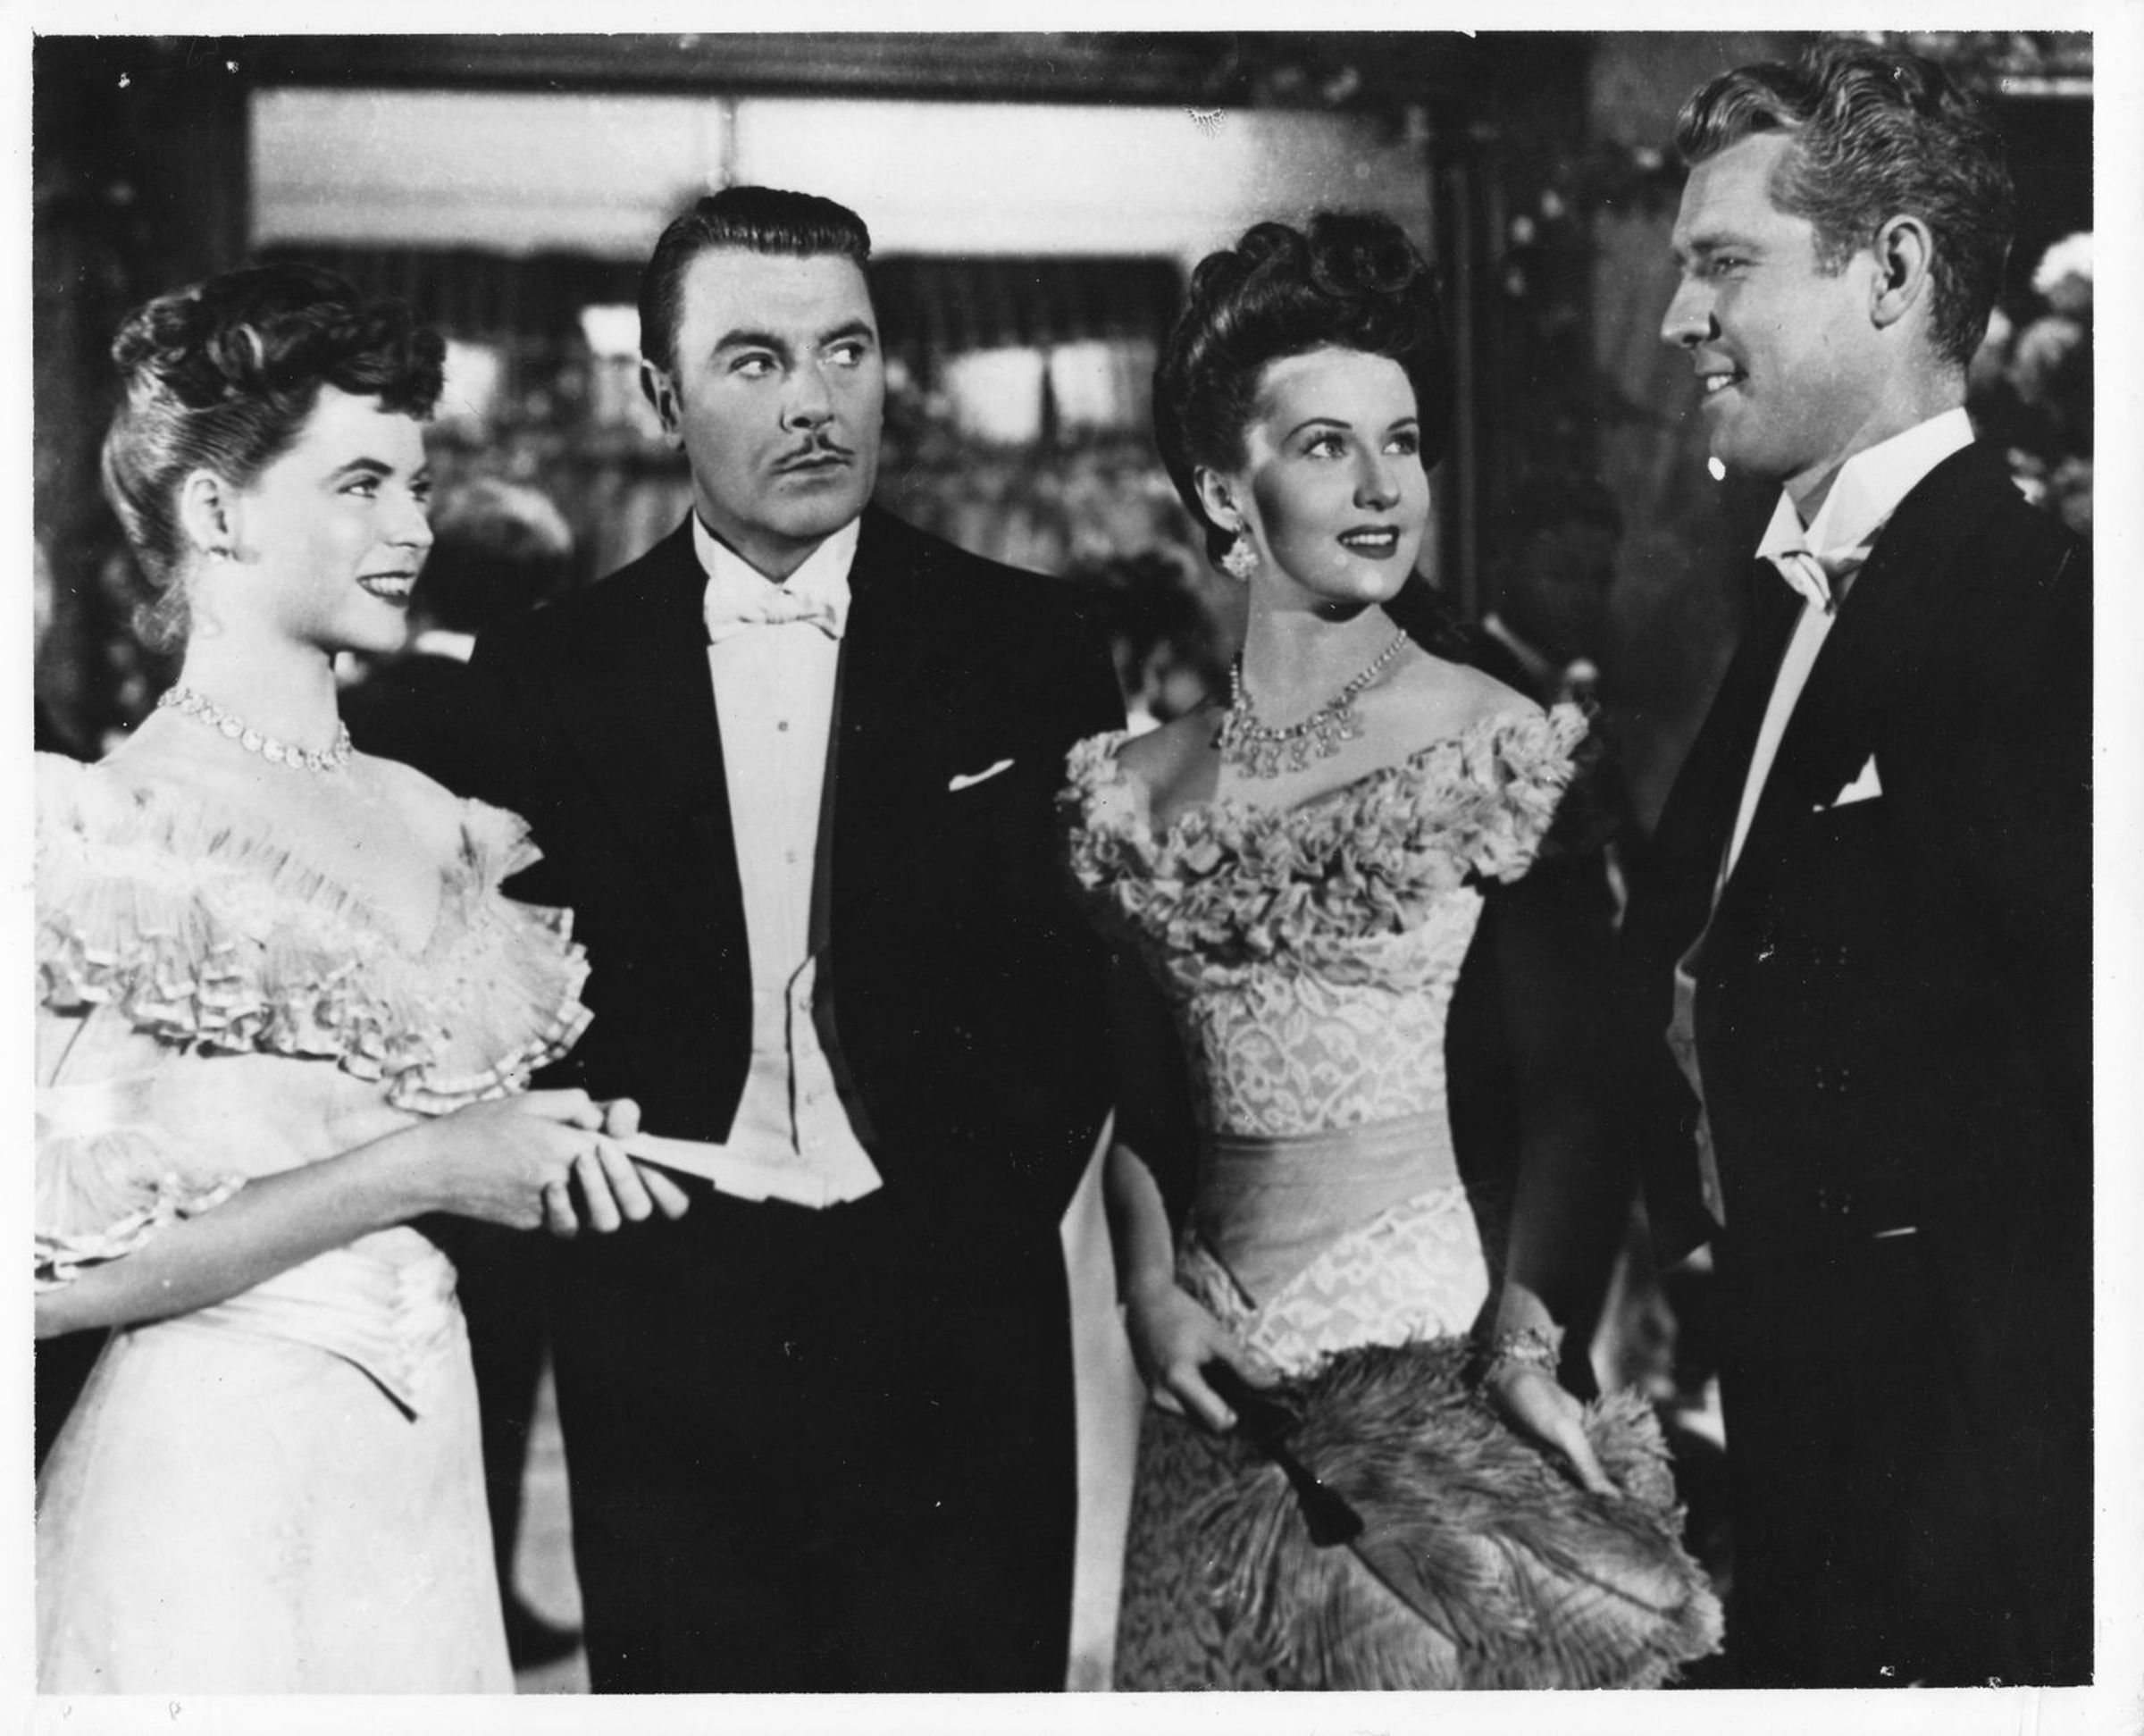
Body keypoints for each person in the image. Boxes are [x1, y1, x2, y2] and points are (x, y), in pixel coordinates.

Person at [413, 187, 1131, 1692]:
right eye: (757, 360)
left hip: (958, 1313)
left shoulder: (1028, 643)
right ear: (662, 395)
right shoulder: (545, 673)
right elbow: (510, 1005)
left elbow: (1086, 985)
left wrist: (982, 1213)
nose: (816, 402)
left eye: (845, 352)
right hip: (666, 1325)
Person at [1062, 212, 1721, 1690]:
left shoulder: (1494, 737)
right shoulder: (1137, 784)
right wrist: (1150, 1292)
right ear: (1222, 493)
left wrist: (1528, 1348)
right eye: (1326, 446)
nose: (1382, 487)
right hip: (1208, 1389)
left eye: (1404, 443)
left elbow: (1581, 1089)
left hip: (1433, 1358)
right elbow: (1142, 1102)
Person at [33, 264, 683, 1693]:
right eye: (362, 485)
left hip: (418, 1482)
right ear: (217, 514)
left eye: (419, 484)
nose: (415, 527)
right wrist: (431, 1167)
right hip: (205, 1505)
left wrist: (550, 1155)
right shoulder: (109, 836)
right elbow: (39, 1286)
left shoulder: (433, 819)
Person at [1625, 45, 2090, 1686]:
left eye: (1722, 264)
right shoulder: (1793, 598)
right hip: (1814, 1481)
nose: (1677, 318)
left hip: (1980, 1536)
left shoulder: (2051, 621)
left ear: (1891, 272)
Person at [341, 475, 586, 1670]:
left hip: (358, 1083)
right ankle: (481, 1596)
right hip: (507, 1079)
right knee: (496, 1347)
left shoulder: (356, 709)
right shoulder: (554, 714)